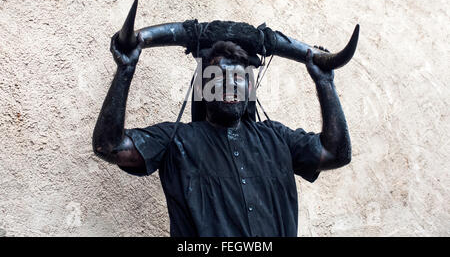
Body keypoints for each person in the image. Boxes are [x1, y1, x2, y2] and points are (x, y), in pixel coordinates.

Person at [92, 31, 351, 237]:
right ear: (203, 87)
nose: (229, 83)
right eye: (217, 77)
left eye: (238, 77)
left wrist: (325, 83)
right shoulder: (176, 141)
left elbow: (336, 153)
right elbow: (109, 145)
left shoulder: (277, 138)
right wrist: (125, 70)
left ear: (250, 86)